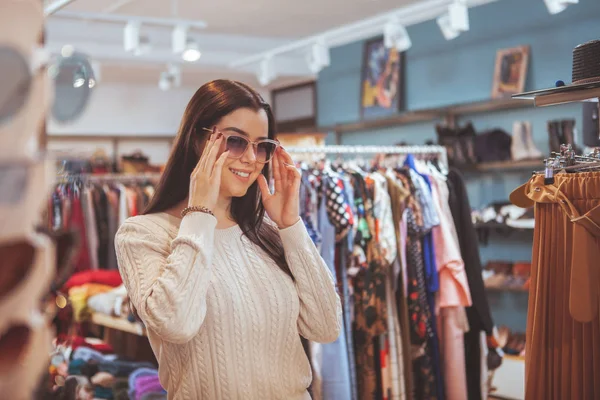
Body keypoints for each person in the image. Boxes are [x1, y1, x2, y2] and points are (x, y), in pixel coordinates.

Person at [115, 79, 342, 400]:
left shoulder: (269, 231)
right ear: (198, 140)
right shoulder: (143, 234)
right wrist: (199, 212)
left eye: (262, 145)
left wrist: (291, 225)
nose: (251, 157)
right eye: (236, 141)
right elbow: (175, 324)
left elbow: (326, 326)